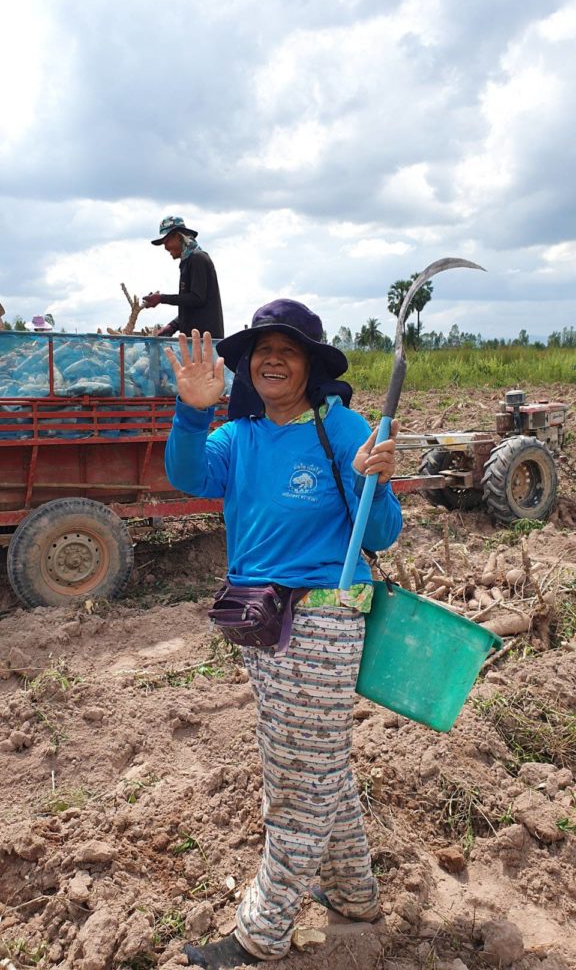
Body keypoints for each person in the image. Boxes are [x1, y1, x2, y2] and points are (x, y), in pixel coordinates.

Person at [164, 299, 402, 969]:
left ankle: (259, 936)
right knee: (317, 761)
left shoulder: (342, 428)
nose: (271, 358)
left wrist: (377, 485)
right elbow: (185, 476)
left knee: (296, 781)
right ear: (245, 367)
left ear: (310, 368)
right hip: (259, 620)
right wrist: (190, 411)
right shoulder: (237, 437)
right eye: (261, 349)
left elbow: (380, 534)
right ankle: (355, 893)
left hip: (324, 619)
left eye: (288, 350)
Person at [144, 215, 224, 338]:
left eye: (166, 242)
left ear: (178, 236)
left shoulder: (198, 259)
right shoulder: (187, 261)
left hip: (205, 342)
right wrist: (173, 326)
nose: (165, 248)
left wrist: (161, 298)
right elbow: (190, 307)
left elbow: (197, 298)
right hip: (193, 340)